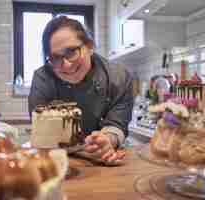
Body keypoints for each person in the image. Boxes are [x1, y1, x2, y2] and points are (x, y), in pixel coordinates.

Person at [28, 16, 133, 164]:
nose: (66, 65)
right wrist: (86, 151)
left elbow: (117, 124)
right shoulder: (43, 78)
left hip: (105, 163)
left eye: (71, 52)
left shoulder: (119, 77)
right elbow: (43, 135)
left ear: (89, 46)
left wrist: (107, 140)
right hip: (59, 163)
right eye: (55, 58)